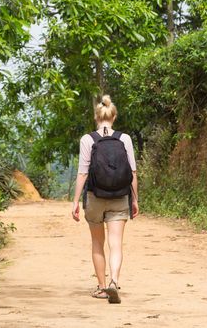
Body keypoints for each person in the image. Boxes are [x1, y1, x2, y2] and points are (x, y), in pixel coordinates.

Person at [71, 95, 139, 304]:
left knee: (97, 243)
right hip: (120, 196)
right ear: (114, 116)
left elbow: (83, 173)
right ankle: (114, 282)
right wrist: (135, 199)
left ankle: (101, 287)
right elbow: (133, 172)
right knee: (116, 243)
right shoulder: (124, 138)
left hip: (95, 197)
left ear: (96, 117)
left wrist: (74, 201)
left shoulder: (87, 139)